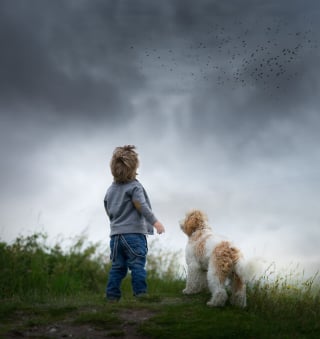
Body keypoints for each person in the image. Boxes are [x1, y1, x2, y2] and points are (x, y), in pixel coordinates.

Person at [104, 145, 165, 301]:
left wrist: (117, 224)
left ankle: (111, 296)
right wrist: (155, 222)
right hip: (133, 235)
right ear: (134, 168)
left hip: (115, 236)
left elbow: (108, 208)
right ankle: (141, 295)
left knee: (117, 268)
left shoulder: (110, 190)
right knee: (137, 265)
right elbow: (140, 205)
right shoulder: (134, 187)